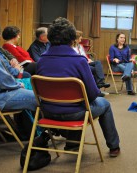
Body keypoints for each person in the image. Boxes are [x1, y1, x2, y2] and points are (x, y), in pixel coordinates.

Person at [37, 17, 120, 157]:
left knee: (77, 101)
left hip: (47, 112)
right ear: (72, 38)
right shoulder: (79, 61)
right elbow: (93, 94)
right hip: (75, 113)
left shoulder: (41, 60)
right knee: (103, 104)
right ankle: (114, 147)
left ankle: (73, 144)